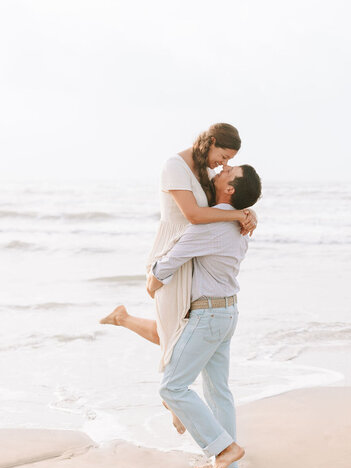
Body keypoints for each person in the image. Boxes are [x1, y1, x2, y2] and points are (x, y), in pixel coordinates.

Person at [99, 123, 256, 431]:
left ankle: (126, 322)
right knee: (172, 335)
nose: (223, 165)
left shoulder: (207, 174)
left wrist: (249, 211)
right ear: (211, 142)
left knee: (175, 333)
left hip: (193, 254)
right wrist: (239, 215)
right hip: (172, 252)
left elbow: (222, 203)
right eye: (223, 156)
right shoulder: (175, 166)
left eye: (228, 162)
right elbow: (194, 216)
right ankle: (174, 401)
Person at [147, 163, 262, 468]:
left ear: (231, 189)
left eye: (231, 170)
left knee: (172, 386)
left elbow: (170, 262)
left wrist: (152, 280)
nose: (224, 168)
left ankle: (224, 449)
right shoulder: (239, 224)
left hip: (209, 316)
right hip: (227, 313)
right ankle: (230, 460)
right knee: (217, 390)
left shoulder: (212, 227)